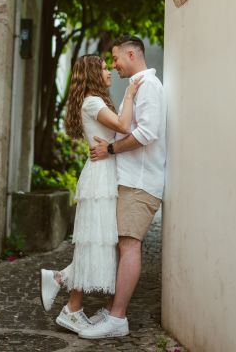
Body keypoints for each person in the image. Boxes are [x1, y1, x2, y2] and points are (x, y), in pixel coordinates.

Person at [39, 54, 143, 334]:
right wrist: (131, 93)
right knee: (97, 241)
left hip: (103, 172)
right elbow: (123, 126)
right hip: (100, 177)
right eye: (104, 68)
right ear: (94, 75)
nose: (109, 71)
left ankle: (62, 282)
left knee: (98, 241)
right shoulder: (93, 102)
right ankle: (70, 306)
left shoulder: (93, 102)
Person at [77, 35, 167, 340]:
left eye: (115, 59)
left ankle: (117, 318)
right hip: (129, 180)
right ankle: (111, 308)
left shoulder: (148, 87)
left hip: (140, 182)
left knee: (129, 245)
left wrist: (110, 150)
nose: (113, 65)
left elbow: (146, 134)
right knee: (121, 244)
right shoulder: (139, 87)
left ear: (131, 54)